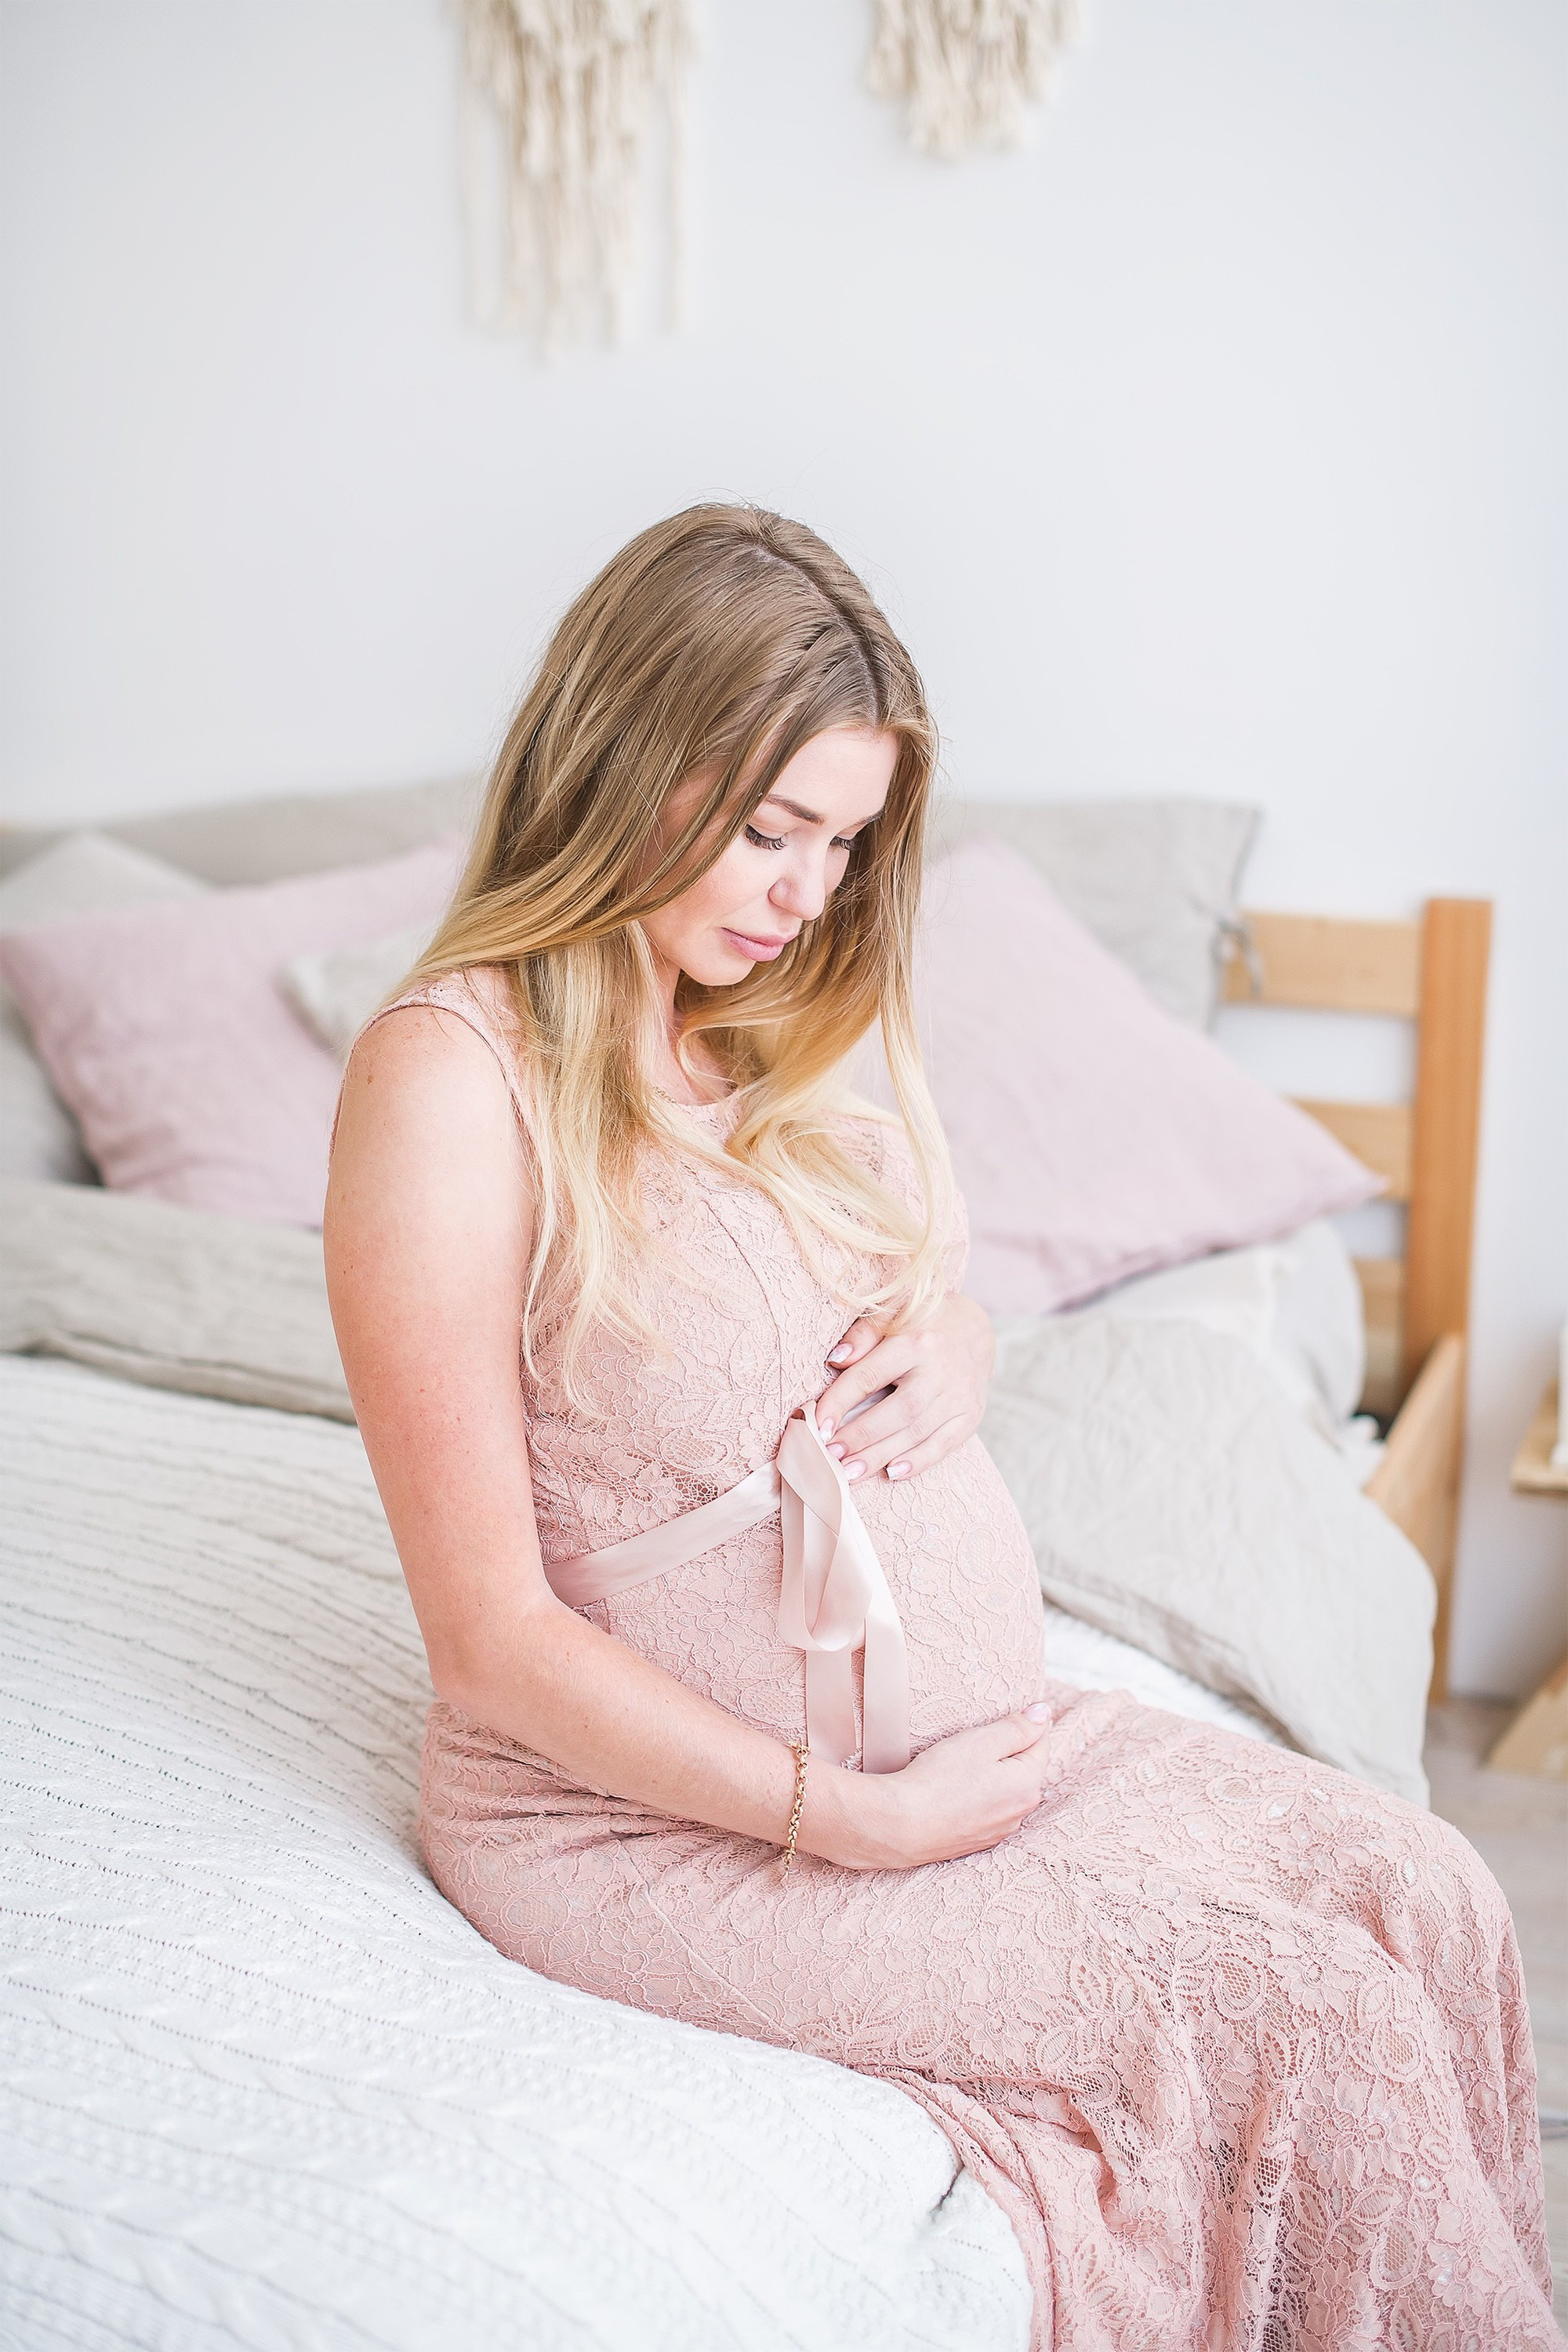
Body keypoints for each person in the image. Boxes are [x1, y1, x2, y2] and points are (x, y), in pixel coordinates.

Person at [325, 505, 1555, 2350]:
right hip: (648, 1831)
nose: (806, 893)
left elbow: (871, 1281)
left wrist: (962, 1339)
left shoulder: (748, 1017)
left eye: (841, 841)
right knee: (1311, 2016)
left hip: (966, 1746)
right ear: (624, 756)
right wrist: (853, 1822)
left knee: (1428, 1889)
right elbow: (488, 1642)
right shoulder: (450, 1078)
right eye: (769, 828)